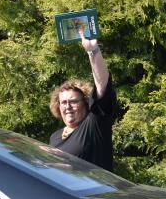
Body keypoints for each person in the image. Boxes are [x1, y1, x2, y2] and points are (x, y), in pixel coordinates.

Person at [48, 35, 117, 171]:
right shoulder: (55, 137)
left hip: (97, 192)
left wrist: (93, 51)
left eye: (73, 101)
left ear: (85, 103)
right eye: (63, 102)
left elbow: (102, 85)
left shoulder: (94, 125)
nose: (67, 107)